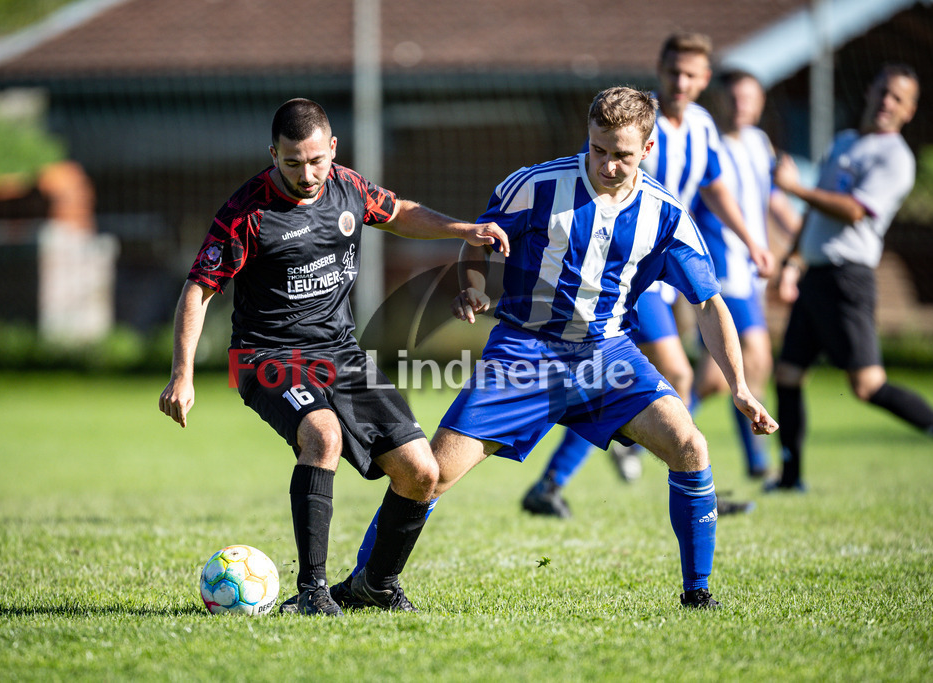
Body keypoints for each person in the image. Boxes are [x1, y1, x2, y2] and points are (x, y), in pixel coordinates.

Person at [333, 87, 777, 610]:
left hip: (608, 357)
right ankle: (368, 582)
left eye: (623, 155)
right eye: (599, 150)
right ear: (587, 139)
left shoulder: (669, 216)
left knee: (691, 447)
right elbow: (481, 239)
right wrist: (474, 284)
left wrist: (740, 387)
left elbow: (709, 305)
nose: (609, 164)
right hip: (524, 353)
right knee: (429, 475)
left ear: (649, 148)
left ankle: (698, 595)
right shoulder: (535, 186)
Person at [158, 98, 509, 616]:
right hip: (265, 356)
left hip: (340, 352)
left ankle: (376, 585)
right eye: (293, 162)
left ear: (333, 150)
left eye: (317, 160)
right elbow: (199, 289)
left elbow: (399, 214)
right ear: (273, 153)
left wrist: (462, 230)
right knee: (323, 434)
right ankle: (313, 593)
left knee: (421, 472)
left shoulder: (347, 185)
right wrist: (181, 375)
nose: (307, 174)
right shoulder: (245, 213)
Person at [521, 32, 774, 517]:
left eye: (691, 74)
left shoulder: (701, 127)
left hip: (668, 264)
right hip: (628, 273)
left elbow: (716, 187)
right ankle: (674, 467)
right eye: (674, 70)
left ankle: (663, 462)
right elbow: (590, 176)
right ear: (661, 68)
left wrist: (751, 239)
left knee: (696, 377)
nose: (680, 81)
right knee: (674, 373)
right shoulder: (631, 125)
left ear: (704, 80)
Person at [769, 63, 933, 490]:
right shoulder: (846, 142)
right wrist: (791, 261)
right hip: (815, 277)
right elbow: (816, 211)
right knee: (787, 374)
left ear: (910, 110)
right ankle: (791, 478)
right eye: (883, 91)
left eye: (898, 98)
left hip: (848, 278)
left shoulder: (895, 158)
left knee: (867, 385)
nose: (887, 102)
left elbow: (852, 209)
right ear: (870, 92)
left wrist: (794, 188)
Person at [691, 70, 801, 479]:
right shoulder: (709, 146)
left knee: (727, 375)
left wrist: (800, 237)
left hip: (749, 270)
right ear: (721, 101)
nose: (742, 106)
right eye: (734, 98)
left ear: (760, 102)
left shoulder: (759, 144)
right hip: (721, 267)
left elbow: (770, 197)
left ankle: (755, 461)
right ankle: (645, 431)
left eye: (750, 98)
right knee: (753, 358)